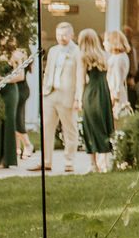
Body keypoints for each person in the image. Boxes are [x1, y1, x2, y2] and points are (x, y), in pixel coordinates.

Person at [33, 22, 82, 173]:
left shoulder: (77, 51)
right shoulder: (53, 50)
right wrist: (44, 89)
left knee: (70, 129)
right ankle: (46, 161)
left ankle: (69, 161)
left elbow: (80, 76)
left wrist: (77, 98)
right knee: (46, 128)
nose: (62, 37)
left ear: (72, 35)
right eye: (59, 34)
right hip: (50, 93)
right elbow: (47, 71)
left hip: (67, 95)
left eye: (65, 34)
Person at [0, 43, 29, 169]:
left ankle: (7, 159)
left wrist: (3, 80)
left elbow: (20, 76)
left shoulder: (16, 55)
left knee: (9, 122)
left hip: (10, 91)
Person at [78, 28, 116, 173]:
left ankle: (93, 164)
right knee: (103, 124)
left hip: (91, 93)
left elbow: (81, 80)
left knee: (90, 126)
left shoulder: (83, 57)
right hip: (103, 93)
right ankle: (105, 162)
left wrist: (79, 99)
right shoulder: (104, 56)